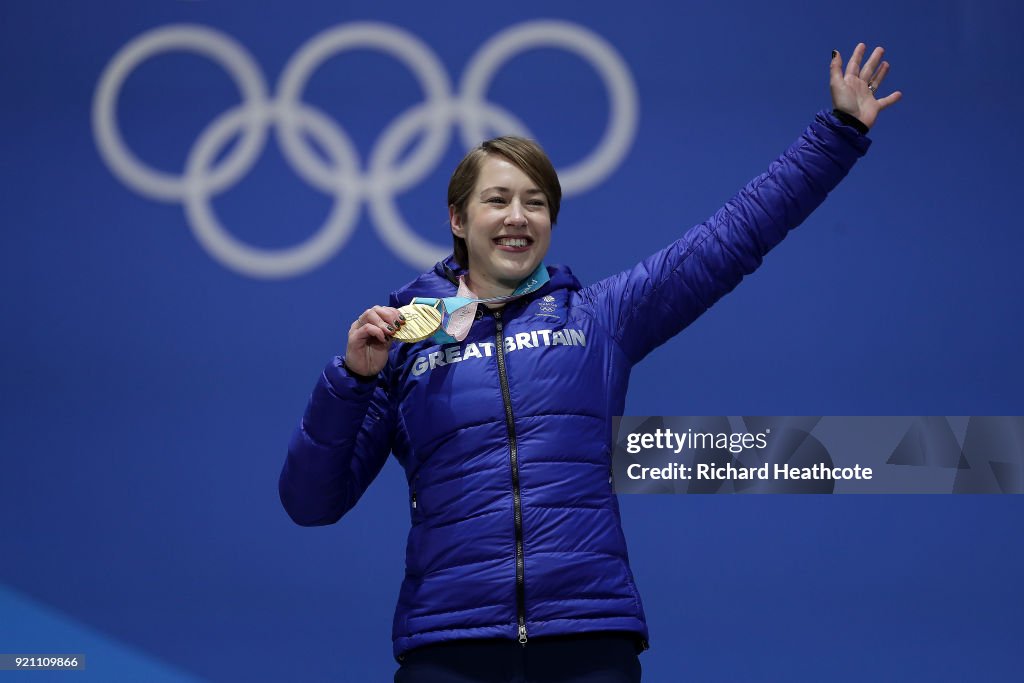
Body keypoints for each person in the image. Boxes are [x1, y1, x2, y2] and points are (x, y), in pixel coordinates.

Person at [279, 43, 901, 682]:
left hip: (588, 642)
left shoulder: (598, 318)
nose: (518, 217)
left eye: (536, 202)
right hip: (449, 646)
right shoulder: (401, 341)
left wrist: (839, 134)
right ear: (458, 219)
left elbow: (732, 236)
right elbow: (310, 502)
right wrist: (350, 381)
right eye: (497, 200)